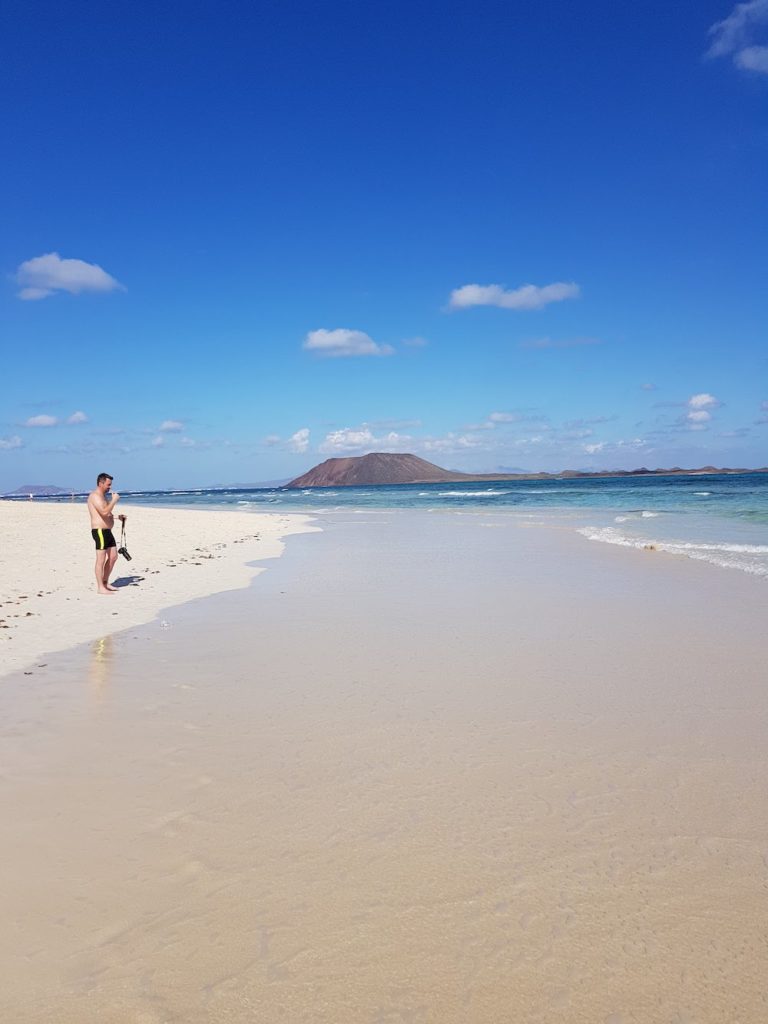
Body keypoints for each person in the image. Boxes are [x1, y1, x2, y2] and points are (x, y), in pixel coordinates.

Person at [87, 472, 126, 595]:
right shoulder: (95, 496)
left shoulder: (103, 497)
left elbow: (106, 514)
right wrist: (114, 500)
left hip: (107, 531)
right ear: (101, 483)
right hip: (99, 531)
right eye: (108, 485)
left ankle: (105, 582)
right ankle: (100, 587)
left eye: (110, 484)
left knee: (113, 557)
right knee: (101, 559)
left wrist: (117, 518)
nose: (110, 487)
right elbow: (103, 512)